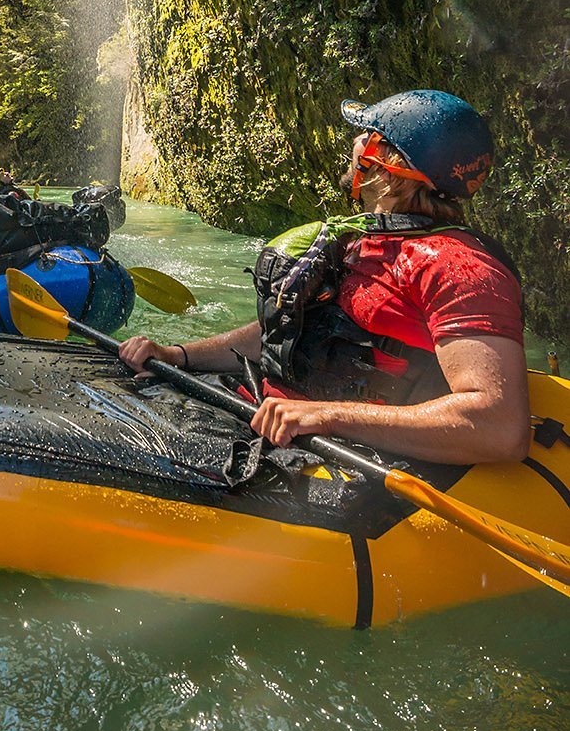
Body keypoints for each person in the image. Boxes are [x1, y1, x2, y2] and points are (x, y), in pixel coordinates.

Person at [119, 90, 530, 465]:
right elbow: (287, 331)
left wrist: (328, 416)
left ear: (389, 166)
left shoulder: (463, 269)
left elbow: (498, 427)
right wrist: (179, 356)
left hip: (337, 459)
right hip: (266, 412)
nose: (354, 143)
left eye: (367, 135)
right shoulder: (363, 238)